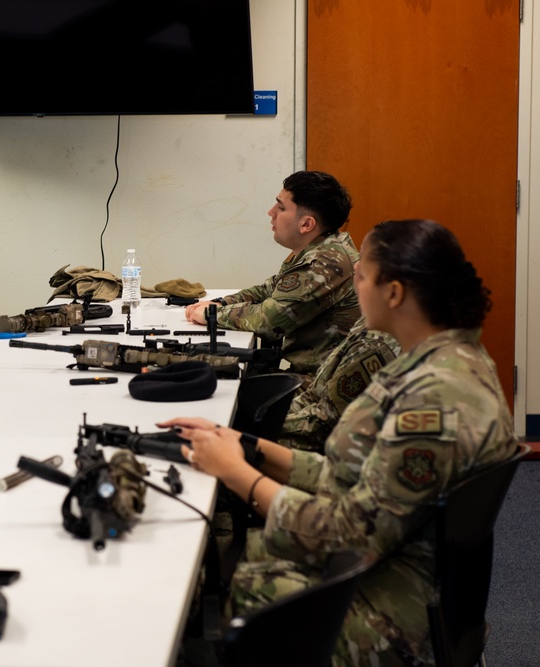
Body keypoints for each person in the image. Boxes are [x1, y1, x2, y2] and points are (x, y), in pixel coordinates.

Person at [162, 219, 518, 666]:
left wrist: (237, 474)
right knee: (222, 562)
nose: (353, 280)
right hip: (393, 573)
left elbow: (349, 533)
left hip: (392, 619)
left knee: (213, 584)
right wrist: (246, 446)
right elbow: (354, 472)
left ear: (395, 292)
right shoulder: (437, 360)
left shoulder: (435, 400)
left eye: (362, 274)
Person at [185, 171, 359, 377]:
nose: (271, 212)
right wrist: (222, 303)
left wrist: (211, 315)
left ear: (306, 224)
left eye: (281, 207)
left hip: (316, 387)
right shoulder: (321, 248)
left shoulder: (325, 262)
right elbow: (269, 289)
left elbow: (269, 320)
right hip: (313, 377)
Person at [279, 316, 399, 452]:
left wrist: (264, 426)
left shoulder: (375, 344)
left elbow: (322, 426)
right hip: (315, 422)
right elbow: (315, 396)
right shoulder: (375, 322)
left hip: (325, 451)